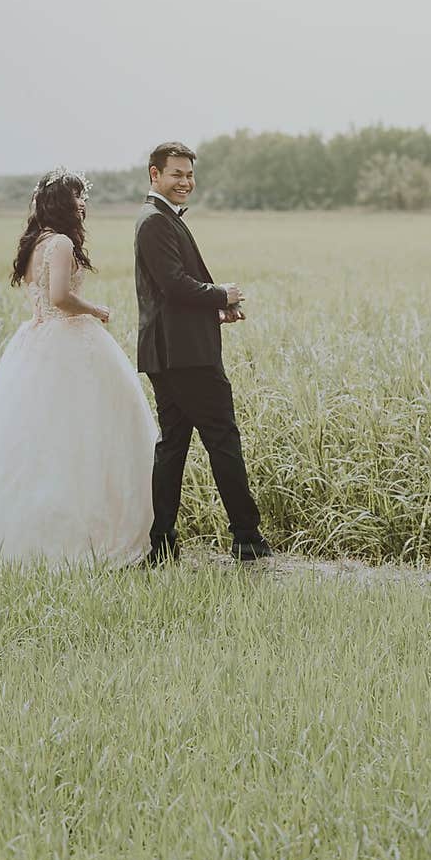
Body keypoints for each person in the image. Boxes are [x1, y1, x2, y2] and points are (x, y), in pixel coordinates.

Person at [0, 167, 158, 566]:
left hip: (36, 341)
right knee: (79, 438)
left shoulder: (36, 241)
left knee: (37, 441)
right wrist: (96, 309)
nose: (83, 203)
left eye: (83, 196)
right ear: (61, 201)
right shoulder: (58, 242)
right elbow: (59, 296)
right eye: (77, 196)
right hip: (66, 341)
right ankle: (80, 537)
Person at [134, 141, 271, 563]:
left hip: (171, 352)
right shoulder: (155, 221)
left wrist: (218, 310)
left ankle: (162, 542)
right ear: (154, 175)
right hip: (187, 357)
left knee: (173, 445)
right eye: (176, 174)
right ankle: (247, 537)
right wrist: (221, 293)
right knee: (223, 439)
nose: (185, 182)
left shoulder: (158, 219)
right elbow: (174, 284)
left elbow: (170, 296)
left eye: (189, 174)